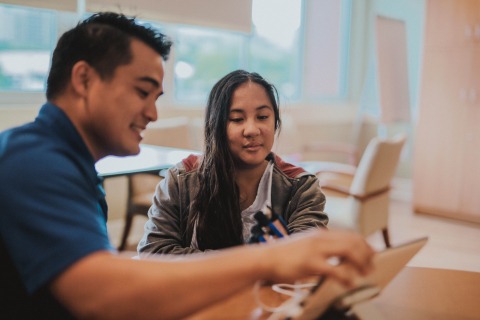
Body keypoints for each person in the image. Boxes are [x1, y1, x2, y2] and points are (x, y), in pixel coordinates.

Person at [0, 12, 374, 319]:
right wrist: (269, 258)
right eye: (142, 91)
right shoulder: (33, 160)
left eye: (263, 116)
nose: (152, 112)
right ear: (83, 79)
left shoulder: (67, 165)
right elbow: (100, 295)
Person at [138, 70, 328, 255]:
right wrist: (250, 265)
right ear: (216, 126)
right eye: (237, 119)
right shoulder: (181, 180)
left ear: (275, 122)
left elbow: (308, 254)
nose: (252, 130)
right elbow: (155, 251)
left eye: (262, 117)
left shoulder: (301, 187)